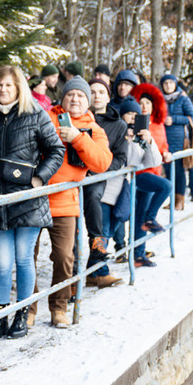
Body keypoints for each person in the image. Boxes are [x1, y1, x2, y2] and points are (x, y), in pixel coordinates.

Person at [0, 66, 65, 337]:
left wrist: (39, 178)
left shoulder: (35, 114)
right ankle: (1, 314)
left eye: (9, 85)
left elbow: (56, 150)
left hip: (28, 199)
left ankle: (23, 313)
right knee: (2, 262)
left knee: (24, 259)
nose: (3, 89)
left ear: (18, 88)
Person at [40, 78, 112, 326]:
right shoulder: (46, 118)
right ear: (63, 97)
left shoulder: (94, 128)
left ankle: (59, 308)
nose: (75, 99)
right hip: (34, 198)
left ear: (87, 101)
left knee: (64, 257)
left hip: (65, 200)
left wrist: (78, 138)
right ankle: (27, 311)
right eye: (70, 94)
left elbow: (102, 163)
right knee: (26, 258)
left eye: (81, 96)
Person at [108, 97, 166, 265]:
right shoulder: (117, 131)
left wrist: (149, 141)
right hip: (121, 180)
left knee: (138, 215)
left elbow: (153, 160)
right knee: (120, 216)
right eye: (129, 113)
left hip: (140, 175)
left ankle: (138, 252)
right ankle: (118, 249)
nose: (133, 117)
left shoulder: (142, 132)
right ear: (122, 115)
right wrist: (128, 139)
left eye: (136, 114)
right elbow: (124, 159)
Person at [85, 79, 128, 288]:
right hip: (73, 180)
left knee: (100, 230)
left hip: (103, 183)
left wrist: (98, 170)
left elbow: (121, 158)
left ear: (108, 97)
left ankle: (99, 272)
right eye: (92, 92)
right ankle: (92, 273)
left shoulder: (119, 125)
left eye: (101, 92)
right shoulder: (77, 118)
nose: (96, 96)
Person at [130, 83, 173, 267]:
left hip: (154, 170)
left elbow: (163, 145)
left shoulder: (158, 123)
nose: (144, 106)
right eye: (141, 103)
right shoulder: (136, 123)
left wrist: (166, 153)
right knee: (166, 186)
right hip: (140, 172)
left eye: (147, 103)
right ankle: (151, 217)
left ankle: (138, 255)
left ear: (154, 105)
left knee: (140, 216)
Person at [159, 73, 193, 209]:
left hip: (179, 140)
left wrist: (174, 119)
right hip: (163, 139)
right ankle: (172, 199)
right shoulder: (159, 99)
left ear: (175, 84)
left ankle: (180, 200)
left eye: (171, 83)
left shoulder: (183, 99)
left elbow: (191, 117)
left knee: (179, 170)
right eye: (165, 83)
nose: (168, 86)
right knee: (168, 170)